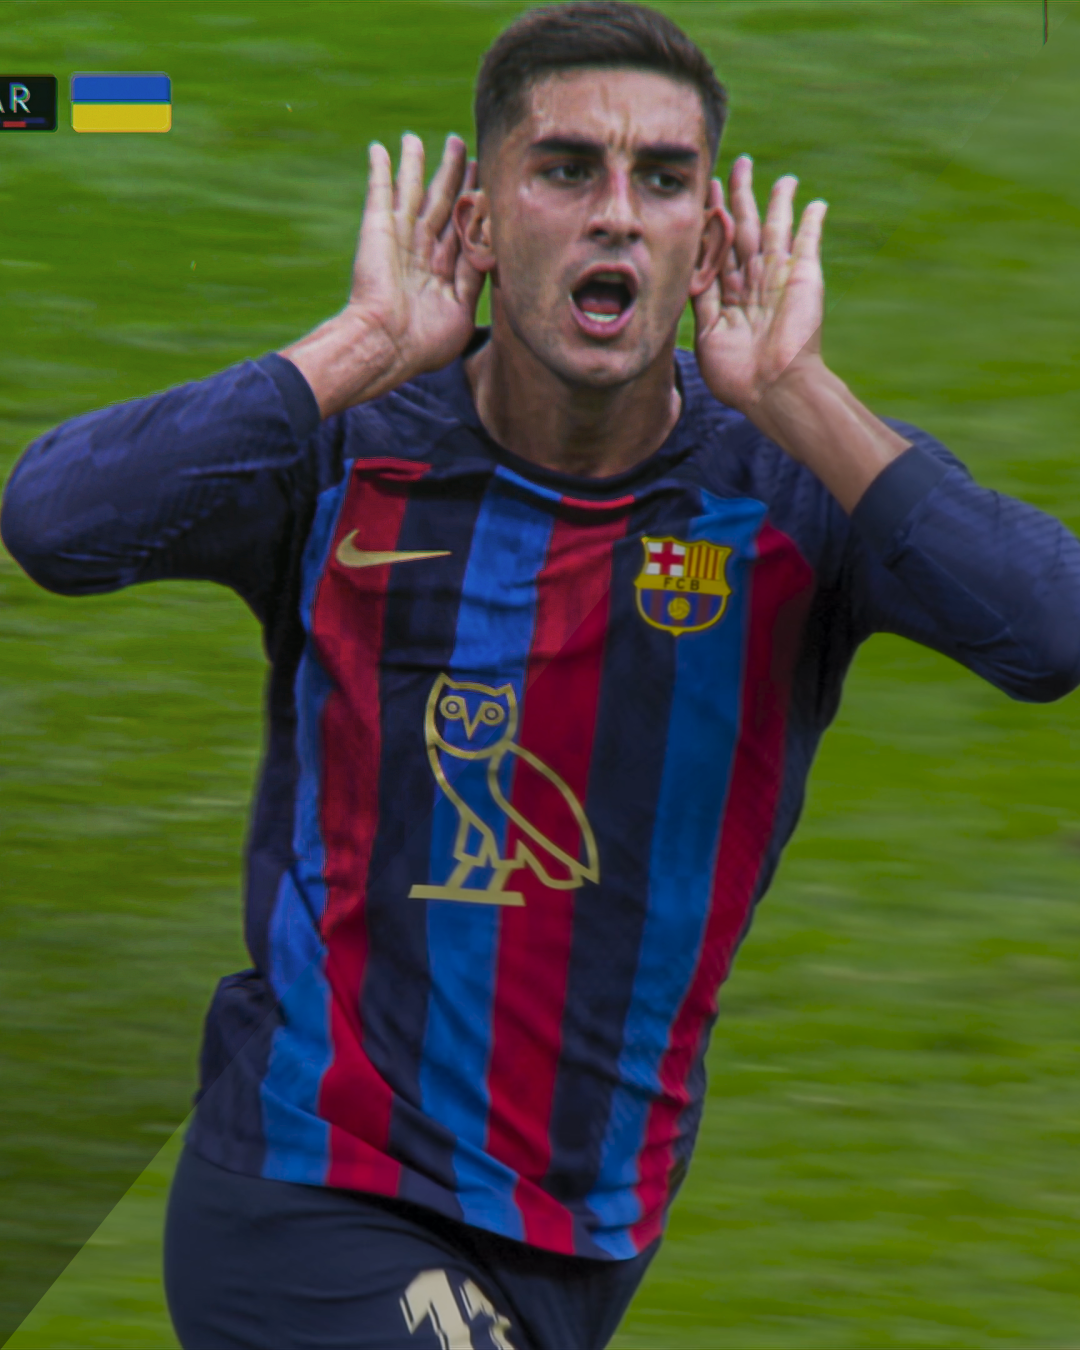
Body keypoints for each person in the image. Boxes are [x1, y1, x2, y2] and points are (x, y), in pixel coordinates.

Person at [4, 2, 1079, 1347]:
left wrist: (799, 393)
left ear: (709, 239)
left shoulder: (791, 495)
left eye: (663, 179)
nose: (616, 214)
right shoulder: (349, 456)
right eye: (567, 169)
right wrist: (357, 347)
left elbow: (1050, 630)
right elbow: (56, 521)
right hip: (313, 1179)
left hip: (584, 1231)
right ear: (482, 217)